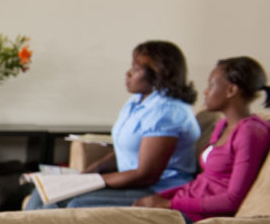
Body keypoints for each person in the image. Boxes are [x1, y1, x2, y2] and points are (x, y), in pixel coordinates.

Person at [26, 40, 200, 208]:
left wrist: (91, 182)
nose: (128, 73)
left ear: (158, 75)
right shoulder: (136, 102)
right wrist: (94, 169)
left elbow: (146, 175)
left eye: (136, 69)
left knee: (68, 202)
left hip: (157, 190)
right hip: (133, 184)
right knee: (42, 192)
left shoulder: (167, 112)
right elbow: (125, 150)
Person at [135, 56, 270, 221]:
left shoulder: (250, 132)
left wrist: (168, 204)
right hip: (183, 204)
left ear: (231, 91)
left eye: (211, 85)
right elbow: (204, 181)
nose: (205, 91)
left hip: (197, 215)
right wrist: (160, 198)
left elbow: (232, 200)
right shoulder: (222, 125)